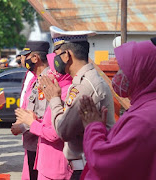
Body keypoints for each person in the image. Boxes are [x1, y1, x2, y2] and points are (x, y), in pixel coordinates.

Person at [39, 26, 115, 180]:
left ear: (66, 55)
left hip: (86, 167)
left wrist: (54, 99)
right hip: (82, 166)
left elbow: (63, 131)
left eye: (57, 55)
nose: (54, 60)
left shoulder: (85, 86)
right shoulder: (81, 81)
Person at [78, 39, 156, 180]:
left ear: (142, 72)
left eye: (122, 69)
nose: (118, 75)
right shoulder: (142, 107)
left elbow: (103, 163)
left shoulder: (142, 120)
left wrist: (93, 127)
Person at [15, 53, 73, 180]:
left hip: (57, 165)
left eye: (53, 70)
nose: (49, 74)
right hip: (47, 163)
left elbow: (55, 133)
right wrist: (35, 119)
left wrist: (31, 123)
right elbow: (50, 121)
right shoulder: (55, 89)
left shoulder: (64, 92)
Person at [13, 41, 50, 180]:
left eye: (26, 56)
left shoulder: (46, 80)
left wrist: (21, 127)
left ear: (35, 58)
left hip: (40, 144)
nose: (24, 60)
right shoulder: (36, 79)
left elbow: (42, 115)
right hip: (32, 143)